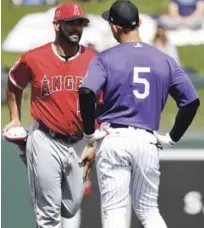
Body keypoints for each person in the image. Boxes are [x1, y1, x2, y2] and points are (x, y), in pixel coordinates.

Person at [78, 1, 200, 228]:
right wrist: (172, 136)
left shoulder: (105, 58)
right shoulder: (164, 59)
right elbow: (191, 101)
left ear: (115, 27)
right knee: (149, 211)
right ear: (140, 23)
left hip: (113, 137)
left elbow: (86, 91)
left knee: (115, 211)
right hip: (146, 139)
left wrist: (88, 132)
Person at [3, 2, 96, 228]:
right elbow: (14, 82)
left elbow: (100, 102)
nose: (76, 28)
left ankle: (26, 151)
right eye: (70, 24)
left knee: (71, 206)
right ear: (56, 25)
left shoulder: (93, 59)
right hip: (45, 137)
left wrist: (93, 142)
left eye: (80, 23)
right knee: (49, 214)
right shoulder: (35, 57)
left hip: (77, 141)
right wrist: (15, 117)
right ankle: (31, 150)